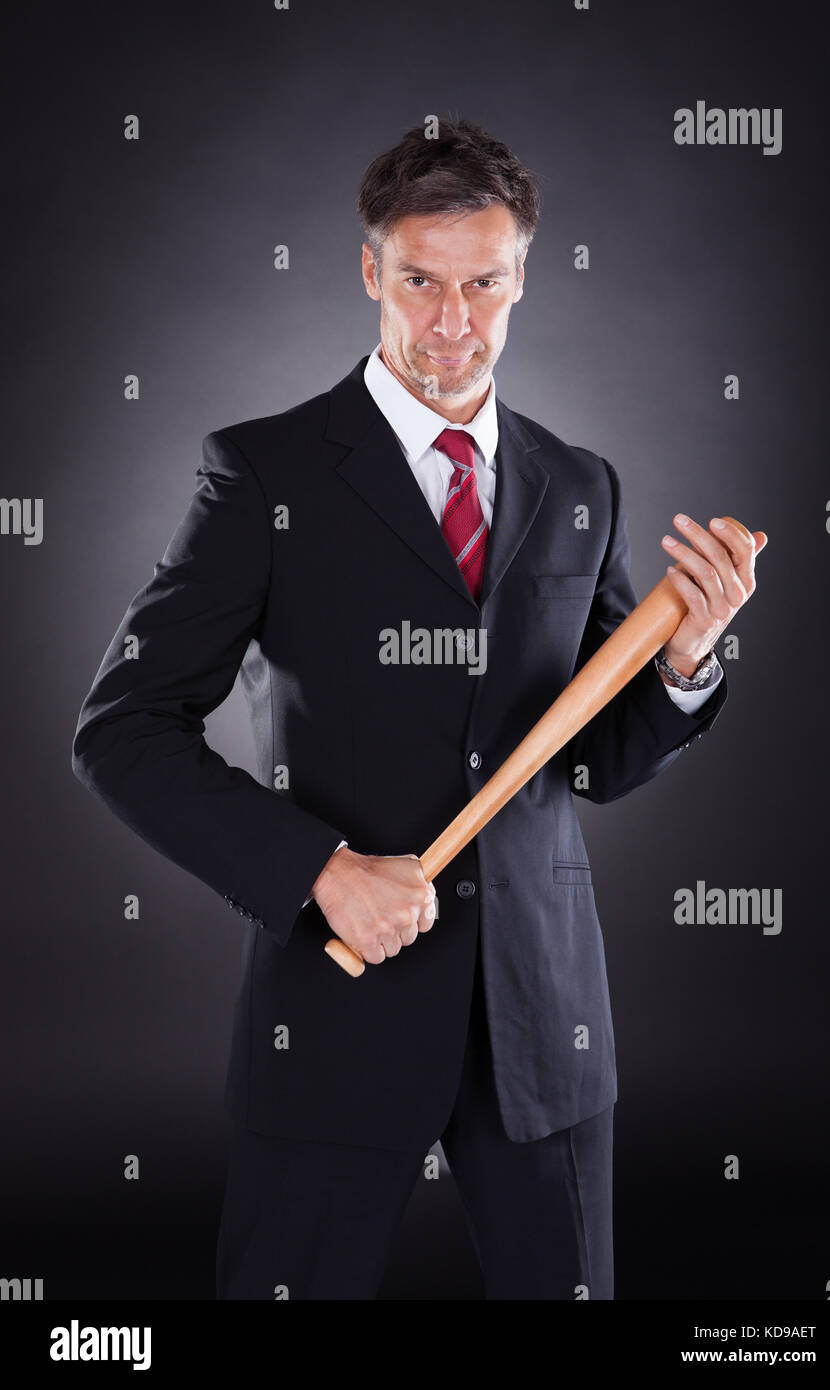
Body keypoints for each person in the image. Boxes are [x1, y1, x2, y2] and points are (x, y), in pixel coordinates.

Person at [71, 118, 765, 1300]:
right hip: (333, 1024)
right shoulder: (263, 475)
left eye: (483, 284)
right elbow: (122, 727)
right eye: (420, 284)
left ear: (523, 278)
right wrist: (317, 869)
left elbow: (586, 762)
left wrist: (684, 660)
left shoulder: (577, 483)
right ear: (368, 274)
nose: (452, 324)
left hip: (544, 1034)